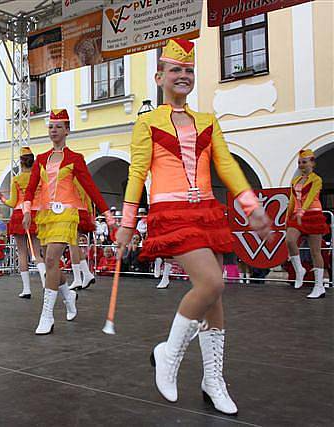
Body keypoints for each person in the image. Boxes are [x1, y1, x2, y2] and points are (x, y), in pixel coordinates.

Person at [115, 39, 271, 415]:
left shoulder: (207, 121)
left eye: (188, 71)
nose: (183, 76)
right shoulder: (146, 123)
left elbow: (227, 166)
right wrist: (125, 224)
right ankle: (168, 353)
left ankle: (212, 379)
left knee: (214, 298)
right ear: (159, 77)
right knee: (212, 283)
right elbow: (137, 173)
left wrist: (251, 205)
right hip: (172, 214)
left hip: (206, 211)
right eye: (175, 70)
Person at [23, 108, 115, 335]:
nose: (54, 131)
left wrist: (108, 215)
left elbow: (91, 188)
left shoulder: (75, 158)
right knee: (51, 262)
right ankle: (68, 295)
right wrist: (26, 210)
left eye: (58, 127)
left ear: (67, 130)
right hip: (45, 215)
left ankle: (47, 315)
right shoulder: (41, 159)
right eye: (51, 127)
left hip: (66, 213)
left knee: (52, 258)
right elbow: (31, 187)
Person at [0, 146, 46, 298]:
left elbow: (12, 202)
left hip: (19, 214)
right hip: (36, 214)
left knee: (22, 253)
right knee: (37, 252)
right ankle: (44, 283)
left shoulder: (17, 179)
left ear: (21, 163)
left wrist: (0, 197)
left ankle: (27, 289)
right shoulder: (40, 177)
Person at [285, 149, 329, 299]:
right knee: (290, 240)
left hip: (313, 215)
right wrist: (287, 218)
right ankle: (299, 270)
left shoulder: (317, 180)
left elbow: (311, 197)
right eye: (299, 163)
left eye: (304, 162)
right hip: (298, 215)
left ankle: (319, 286)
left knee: (315, 252)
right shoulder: (295, 181)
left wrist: (302, 211)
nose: (301, 165)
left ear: (312, 163)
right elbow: (292, 201)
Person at [68, 185, 97, 290]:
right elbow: (88, 199)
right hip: (83, 211)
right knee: (74, 245)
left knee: (73, 245)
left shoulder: (70, 177)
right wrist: (89, 213)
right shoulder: (81, 180)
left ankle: (77, 278)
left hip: (72, 210)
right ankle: (87, 274)